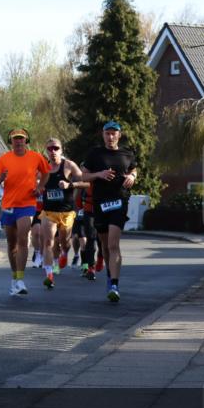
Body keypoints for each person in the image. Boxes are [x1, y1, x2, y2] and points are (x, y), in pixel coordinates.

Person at [78, 121, 138, 302]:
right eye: (107, 133)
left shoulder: (127, 153)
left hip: (120, 202)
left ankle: (114, 284)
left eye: (114, 133)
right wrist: (99, 175)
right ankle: (109, 275)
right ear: (103, 135)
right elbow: (82, 175)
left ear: (119, 135)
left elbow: (134, 168)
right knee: (104, 246)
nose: (110, 137)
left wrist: (132, 176)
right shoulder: (95, 154)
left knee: (113, 244)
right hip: (100, 203)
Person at [0, 128, 49, 295]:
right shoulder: (4, 159)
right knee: (12, 244)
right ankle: (14, 277)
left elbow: (46, 173)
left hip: (27, 204)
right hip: (8, 205)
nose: (18, 141)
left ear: (26, 141)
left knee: (23, 239)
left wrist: (40, 187)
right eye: (15, 139)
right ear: (11, 141)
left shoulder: (36, 157)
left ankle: (21, 280)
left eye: (21, 139)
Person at [39, 138, 86, 289]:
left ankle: (65, 253)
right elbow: (32, 181)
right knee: (48, 241)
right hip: (49, 211)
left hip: (67, 212)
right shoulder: (43, 167)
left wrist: (70, 184)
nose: (53, 151)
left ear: (61, 150)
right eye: (50, 149)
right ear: (46, 151)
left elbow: (86, 182)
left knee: (64, 242)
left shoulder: (69, 165)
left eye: (56, 148)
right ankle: (49, 275)